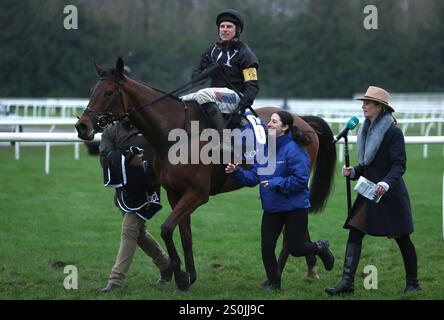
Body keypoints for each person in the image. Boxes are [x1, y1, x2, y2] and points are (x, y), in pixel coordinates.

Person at [325, 86, 421, 295]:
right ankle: (347, 283)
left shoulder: (393, 132)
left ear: (380, 107)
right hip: (368, 192)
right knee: (355, 231)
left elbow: (399, 165)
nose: (363, 106)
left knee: (402, 238)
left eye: (367, 103)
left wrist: (386, 183)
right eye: (363, 103)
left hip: (390, 195)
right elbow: (368, 165)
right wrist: (353, 172)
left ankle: (413, 283)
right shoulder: (366, 129)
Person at [225, 111, 334, 290]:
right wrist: (236, 171)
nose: (269, 124)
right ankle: (274, 283)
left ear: (284, 127)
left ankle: (320, 248)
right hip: (272, 207)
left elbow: (300, 181)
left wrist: (275, 182)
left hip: (294, 208)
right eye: (269, 122)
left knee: (295, 248)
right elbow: (254, 177)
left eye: (274, 122)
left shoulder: (295, 150)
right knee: (267, 247)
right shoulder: (265, 149)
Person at [99, 119, 173, 292]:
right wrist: (129, 159)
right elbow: (104, 159)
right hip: (125, 190)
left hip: (147, 188)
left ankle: (115, 281)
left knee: (129, 229)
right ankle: (166, 265)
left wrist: (130, 160)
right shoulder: (111, 130)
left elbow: (164, 154)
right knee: (138, 234)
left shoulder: (150, 124)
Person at [182, 9, 259, 146]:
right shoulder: (211, 50)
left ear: (238, 30)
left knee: (203, 94)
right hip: (214, 96)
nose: (224, 30)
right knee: (181, 100)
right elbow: (195, 78)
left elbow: (252, 87)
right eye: (222, 27)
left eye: (229, 27)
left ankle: (225, 139)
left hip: (236, 97)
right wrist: (208, 70)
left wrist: (240, 110)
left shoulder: (245, 54)